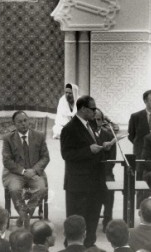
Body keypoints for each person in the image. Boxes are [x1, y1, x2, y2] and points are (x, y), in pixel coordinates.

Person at [61, 95, 111, 247]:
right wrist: (88, 150)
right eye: (93, 109)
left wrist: (105, 147)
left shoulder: (91, 125)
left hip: (95, 181)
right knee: (77, 222)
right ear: (83, 109)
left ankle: (90, 244)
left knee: (92, 218)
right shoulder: (70, 128)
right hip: (79, 185)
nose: (95, 112)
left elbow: (95, 149)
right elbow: (67, 154)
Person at [2, 111, 49, 228]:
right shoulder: (8, 138)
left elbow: (45, 157)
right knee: (14, 189)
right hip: (15, 173)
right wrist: (23, 171)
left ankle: (24, 215)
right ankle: (25, 216)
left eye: (25, 120)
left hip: (34, 172)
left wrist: (34, 171)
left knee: (41, 188)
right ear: (14, 124)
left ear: (28, 121)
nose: (23, 124)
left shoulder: (39, 136)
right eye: (20, 122)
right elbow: (7, 161)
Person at [128, 90, 151, 205]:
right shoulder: (136, 117)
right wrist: (142, 147)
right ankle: (140, 209)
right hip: (141, 156)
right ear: (145, 101)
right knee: (140, 183)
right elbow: (131, 135)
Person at [90, 108, 117, 232]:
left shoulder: (109, 135)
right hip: (89, 172)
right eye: (94, 119)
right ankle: (89, 219)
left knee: (109, 186)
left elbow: (112, 160)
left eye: (99, 119)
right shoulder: (85, 135)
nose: (96, 122)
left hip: (105, 171)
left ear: (102, 121)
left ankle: (107, 219)